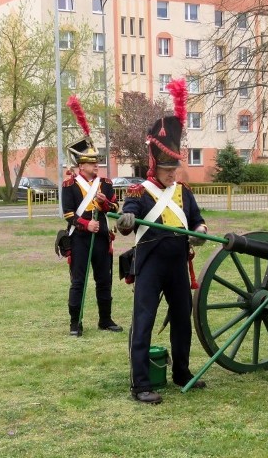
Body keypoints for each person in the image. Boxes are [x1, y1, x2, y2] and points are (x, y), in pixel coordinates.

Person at [116, 114, 208, 405]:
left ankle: (182, 372)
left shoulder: (184, 193)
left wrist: (200, 233)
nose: (172, 174)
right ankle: (140, 384)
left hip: (178, 265)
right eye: (167, 169)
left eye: (175, 168)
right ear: (155, 166)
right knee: (143, 322)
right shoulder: (139, 191)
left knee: (182, 320)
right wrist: (125, 220)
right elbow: (126, 218)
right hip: (150, 265)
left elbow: (198, 221)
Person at [62, 138, 122, 337]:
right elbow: (68, 214)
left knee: (104, 280)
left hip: (102, 238)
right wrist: (87, 224)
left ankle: (105, 319)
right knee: (78, 281)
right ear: (81, 165)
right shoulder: (69, 185)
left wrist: (105, 203)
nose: (96, 164)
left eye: (97, 161)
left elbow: (115, 207)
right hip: (80, 238)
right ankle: (75, 322)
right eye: (91, 162)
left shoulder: (105, 184)